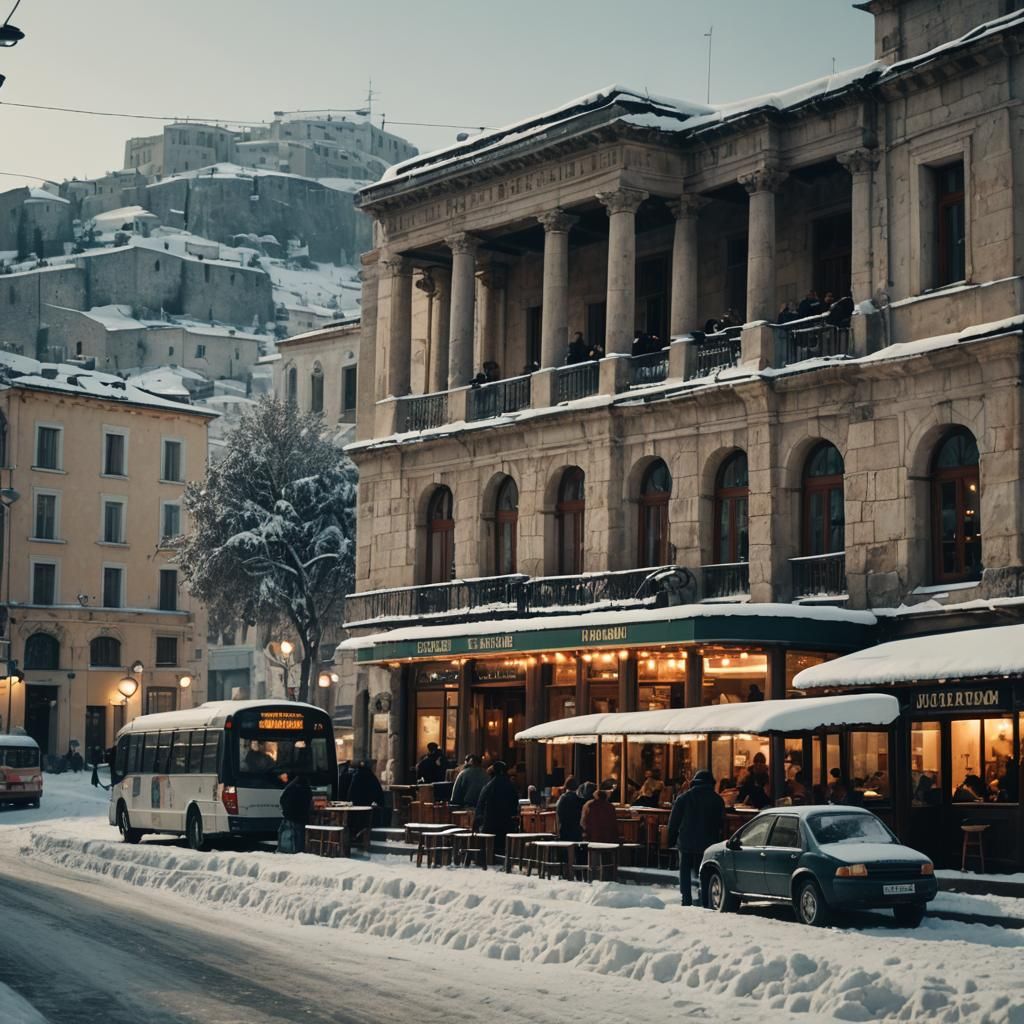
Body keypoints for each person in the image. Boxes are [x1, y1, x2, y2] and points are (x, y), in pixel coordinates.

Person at [667, 768, 724, 907]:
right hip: (708, 844)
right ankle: (705, 900)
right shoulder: (717, 800)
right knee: (704, 872)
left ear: (694, 783)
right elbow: (721, 823)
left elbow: (673, 822)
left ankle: (686, 899)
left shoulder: (683, 798)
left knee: (685, 871)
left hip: (686, 842)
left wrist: (671, 840)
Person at [474, 760, 520, 853]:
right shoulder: (510, 786)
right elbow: (515, 806)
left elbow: (480, 806)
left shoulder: (488, 786)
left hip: (488, 826)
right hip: (506, 826)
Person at [278, 773, 313, 854]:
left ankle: (287, 849)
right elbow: (309, 804)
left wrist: (285, 812)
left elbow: (282, 800)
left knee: (289, 835)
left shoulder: (290, 788)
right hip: (302, 818)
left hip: (289, 817)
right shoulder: (307, 790)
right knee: (300, 836)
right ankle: (299, 851)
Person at [555, 774, 584, 841]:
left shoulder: (562, 798)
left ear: (566, 786)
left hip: (564, 831)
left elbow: (559, 816)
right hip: (576, 833)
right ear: (577, 787)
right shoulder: (580, 800)